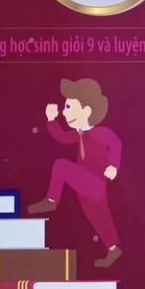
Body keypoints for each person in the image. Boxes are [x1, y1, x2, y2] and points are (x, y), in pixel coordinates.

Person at [28, 78, 123, 269]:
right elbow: (62, 137)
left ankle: (51, 201)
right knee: (98, 217)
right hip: (86, 187)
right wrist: (51, 120)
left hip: (95, 184)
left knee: (61, 166)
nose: (64, 112)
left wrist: (114, 166)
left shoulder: (99, 132)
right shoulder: (78, 134)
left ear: (86, 111)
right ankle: (113, 249)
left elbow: (116, 143)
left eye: (69, 107)